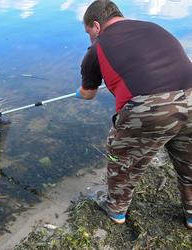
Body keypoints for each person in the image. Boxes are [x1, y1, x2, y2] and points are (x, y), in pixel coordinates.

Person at [76, 0, 192, 229]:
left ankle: (116, 210)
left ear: (97, 26)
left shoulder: (97, 49)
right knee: (189, 163)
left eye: (89, 32)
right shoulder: (154, 28)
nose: (90, 38)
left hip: (150, 108)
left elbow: (88, 93)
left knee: (122, 157)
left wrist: (77, 94)